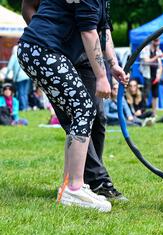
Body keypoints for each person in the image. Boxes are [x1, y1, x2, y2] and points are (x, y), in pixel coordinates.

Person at [19, 0, 129, 212]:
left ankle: (70, 186)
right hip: (43, 50)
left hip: (42, 50)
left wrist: (113, 64)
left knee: (83, 110)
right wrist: (101, 77)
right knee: (83, 108)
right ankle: (74, 188)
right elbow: (88, 32)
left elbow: (101, 30)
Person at [140, 38, 163, 116]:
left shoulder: (159, 51)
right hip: (147, 75)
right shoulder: (145, 49)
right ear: (152, 41)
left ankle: (154, 113)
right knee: (146, 94)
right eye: (156, 40)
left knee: (155, 95)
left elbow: (161, 66)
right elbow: (146, 61)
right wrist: (157, 57)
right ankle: (143, 111)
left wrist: (159, 76)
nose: (158, 42)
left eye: (158, 40)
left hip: (156, 76)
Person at [6, 45, 33, 111]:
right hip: (27, 76)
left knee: (21, 92)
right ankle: (26, 107)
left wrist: (6, 75)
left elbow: (9, 67)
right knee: (24, 92)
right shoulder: (23, 55)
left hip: (19, 78)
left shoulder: (14, 56)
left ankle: (22, 107)